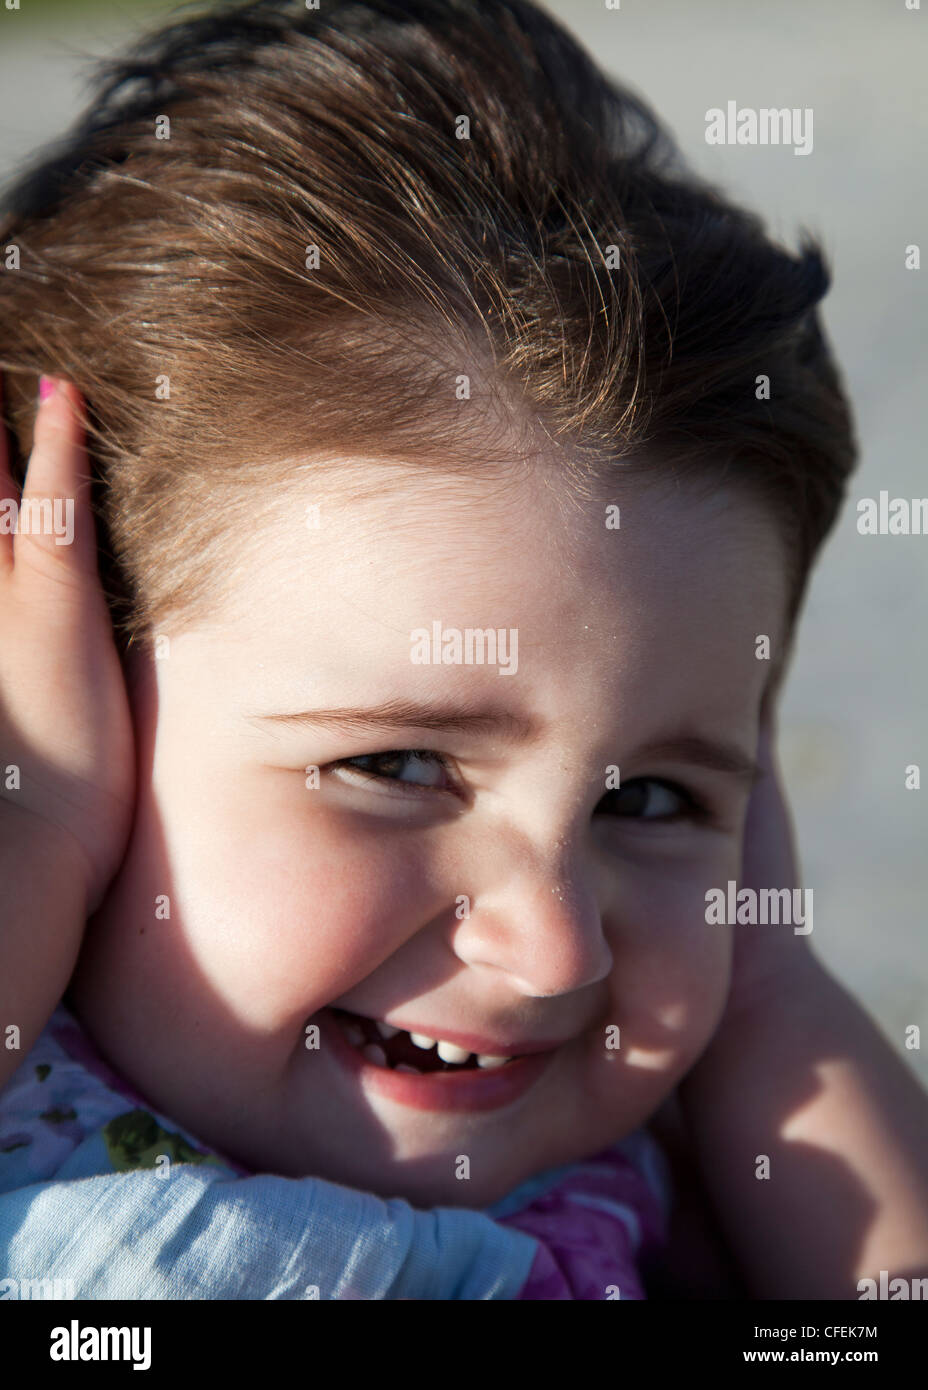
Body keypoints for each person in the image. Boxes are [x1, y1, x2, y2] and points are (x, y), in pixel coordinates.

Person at [1, 0, 926, 1300]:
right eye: (397, 761)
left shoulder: (666, 1188)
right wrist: (32, 822)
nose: (559, 952)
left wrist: (764, 985)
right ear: (72, 691)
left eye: (654, 795)